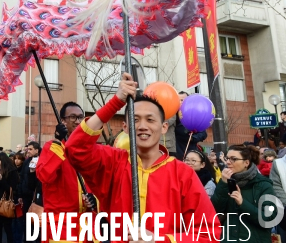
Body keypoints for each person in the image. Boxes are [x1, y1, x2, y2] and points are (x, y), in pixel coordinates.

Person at [65, 73, 222, 241]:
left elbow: (209, 233)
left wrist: (160, 239)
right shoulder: (113, 162)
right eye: (135, 120)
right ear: (125, 127)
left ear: (163, 127)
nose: (142, 126)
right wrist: (115, 102)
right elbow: (75, 148)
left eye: (150, 120)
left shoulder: (182, 173)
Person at [37, 101, 93, 242]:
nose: (78, 121)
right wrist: (58, 142)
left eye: (81, 117)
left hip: (86, 226)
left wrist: (94, 199)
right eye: (73, 117)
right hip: (61, 227)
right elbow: (44, 175)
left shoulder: (88, 149)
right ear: (62, 121)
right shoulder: (52, 147)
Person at [212, 144, 276, 243]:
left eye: (233, 159)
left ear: (246, 162)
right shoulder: (226, 182)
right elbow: (214, 211)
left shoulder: (263, 185)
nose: (228, 162)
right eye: (227, 158)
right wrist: (223, 184)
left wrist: (243, 203)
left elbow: (269, 219)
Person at [0, 152, 19, 243]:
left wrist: (1, 179)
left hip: (7, 202)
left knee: (7, 227)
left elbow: (11, 188)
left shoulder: (12, 171)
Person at [175, 91, 208, 160]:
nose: (180, 102)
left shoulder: (194, 115)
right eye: (178, 100)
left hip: (189, 153)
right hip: (174, 153)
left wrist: (193, 138)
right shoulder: (171, 115)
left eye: (182, 100)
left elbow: (203, 133)